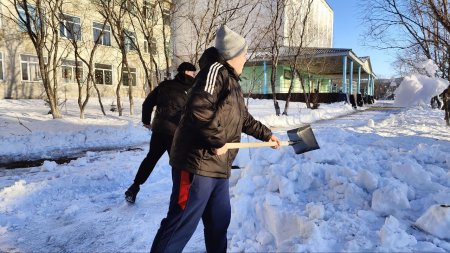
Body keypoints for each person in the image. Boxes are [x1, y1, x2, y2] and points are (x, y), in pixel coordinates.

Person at [150, 25, 281, 252]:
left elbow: (244, 119)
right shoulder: (215, 71)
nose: (246, 57)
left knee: (218, 224)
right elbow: (199, 106)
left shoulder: (232, 82)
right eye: (244, 53)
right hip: (196, 164)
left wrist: (267, 134)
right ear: (233, 55)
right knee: (180, 224)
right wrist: (218, 140)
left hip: (218, 168)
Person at [125, 62, 197, 204]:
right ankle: (181, 196)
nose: (194, 75)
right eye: (192, 73)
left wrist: (146, 121)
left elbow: (147, 103)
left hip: (159, 129)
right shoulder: (192, 89)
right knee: (179, 164)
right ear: (187, 72)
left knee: (151, 159)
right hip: (176, 133)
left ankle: (134, 187)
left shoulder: (164, 85)